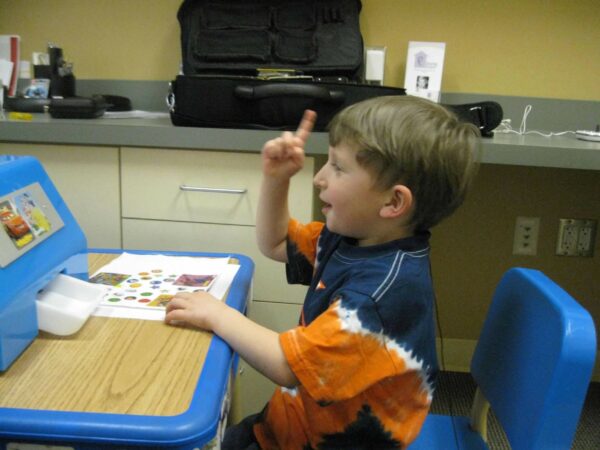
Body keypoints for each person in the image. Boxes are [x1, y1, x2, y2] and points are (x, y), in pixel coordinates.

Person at [165, 95, 481, 449]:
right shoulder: (351, 238)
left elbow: (286, 365)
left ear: (393, 203)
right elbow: (275, 243)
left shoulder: (377, 299)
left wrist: (217, 314)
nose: (319, 177)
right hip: (288, 423)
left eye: (338, 167)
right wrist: (276, 179)